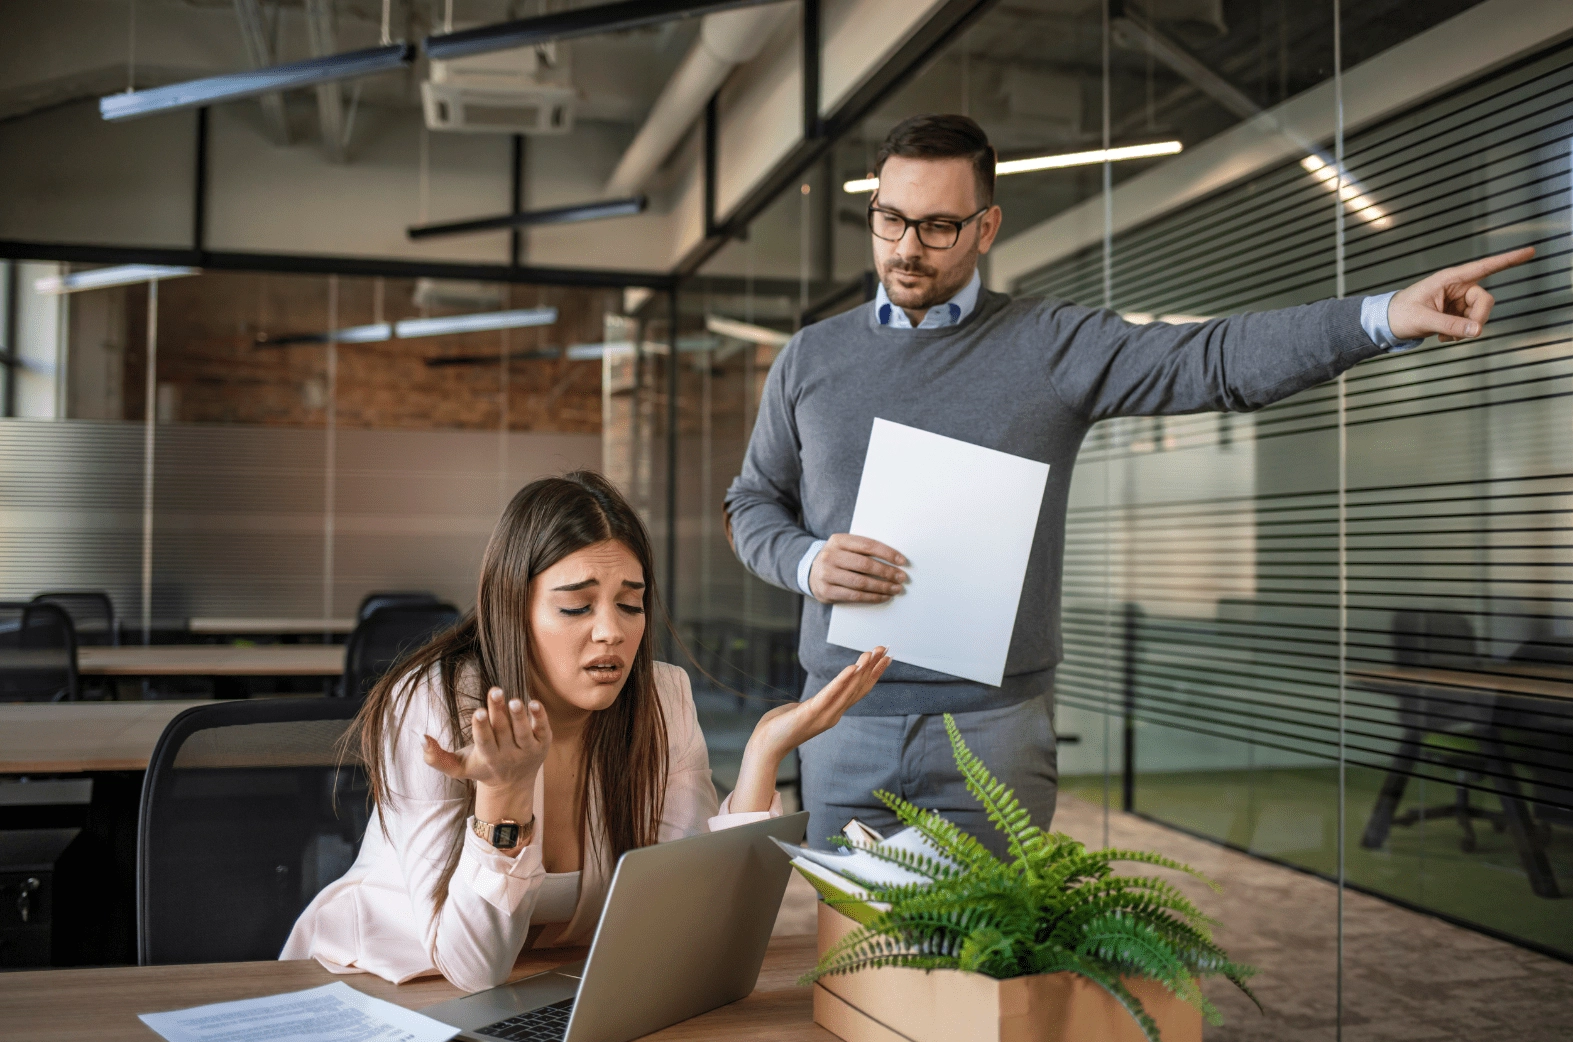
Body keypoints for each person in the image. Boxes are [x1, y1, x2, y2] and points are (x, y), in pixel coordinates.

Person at [723, 112, 1534, 854]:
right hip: (835, 722)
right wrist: (803, 562)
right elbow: (751, 501)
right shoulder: (811, 357)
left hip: (991, 732)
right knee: (846, 976)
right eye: (890, 219)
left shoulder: (1049, 345)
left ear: (986, 227)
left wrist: (1380, 317)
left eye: (937, 226)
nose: (906, 248)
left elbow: (1211, 361)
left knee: (983, 987)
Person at [282, 470, 890, 992]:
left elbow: (693, 922)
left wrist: (762, 755)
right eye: (576, 606)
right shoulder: (439, 704)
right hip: (378, 989)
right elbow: (472, 965)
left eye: (630, 604)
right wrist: (504, 799)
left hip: (548, 988)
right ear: (513, 608)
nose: (612, 632)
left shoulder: (659, 697)